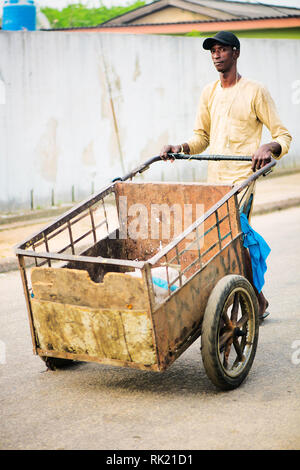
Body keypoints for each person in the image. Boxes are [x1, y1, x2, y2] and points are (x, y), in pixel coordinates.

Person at [160, 31, 292, 320]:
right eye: (212, 51)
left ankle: (251, 299)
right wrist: (179, 147)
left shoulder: (256, 91)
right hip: (215, 182)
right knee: (223, 244)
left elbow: (283, 134)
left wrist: (267, 146)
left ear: (236, 53)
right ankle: (257, 298)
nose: (216, 55)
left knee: (236, 240)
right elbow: (201, 137)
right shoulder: (209, 92)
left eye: (222, 50)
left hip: (243, 181)